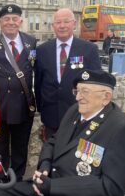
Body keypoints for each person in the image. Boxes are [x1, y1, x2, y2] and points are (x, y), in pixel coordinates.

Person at [0, 69, 125, 196]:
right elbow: (54, 141)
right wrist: (44, 166)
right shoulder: (75, 111)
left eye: (85, 91)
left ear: (106, 97)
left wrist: (53, 187)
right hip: (51, 182)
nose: (78, 98)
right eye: (77, 91)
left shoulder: (119, 128)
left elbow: (112, 187)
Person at [35, 8, 101, 140]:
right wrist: (42, 108)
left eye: (66, 21)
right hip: (50, 116)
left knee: (74, 157)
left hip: (79, 115)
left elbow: (97, 84)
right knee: (50, 155)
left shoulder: (89, 49)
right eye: (58, 22)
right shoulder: (42, 50)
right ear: (53, 26)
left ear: (74, 24)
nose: (62, 26)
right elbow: (38, 82)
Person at [0, 4, 37, 180]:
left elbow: (34, 68)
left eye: (14, 19)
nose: (11, 22)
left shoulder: (30, 41)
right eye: (6, 19)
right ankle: (1, 180)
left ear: (21, 21)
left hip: (24, 104)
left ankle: (16, 180)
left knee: (20, 146)